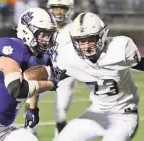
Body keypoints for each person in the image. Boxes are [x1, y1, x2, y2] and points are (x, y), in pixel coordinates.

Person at [0, 7, 60, 141]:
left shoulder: (40, 56)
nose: (46, 39)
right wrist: (51, 84)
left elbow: (34, 80)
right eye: (42, 34)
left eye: (49, 35)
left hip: (5, 128)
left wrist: (33, 108)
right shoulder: (12, 48)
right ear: (27, 31)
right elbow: (16, 89)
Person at [54, 12, 144, 141]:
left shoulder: (120, 48)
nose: (86, 46)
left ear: (102, 35)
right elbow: (53, 76)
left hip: (124, 115)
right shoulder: (68, 56)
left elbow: (140, 64)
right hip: (95, 113)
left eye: (90, 39)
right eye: (81, 41)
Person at [24, 0, 75, 139]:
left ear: (69, 9)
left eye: (61, 7)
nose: (57, 11)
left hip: (66, 76)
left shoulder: (75, 29)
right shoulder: (44, 25)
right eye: (54, 7)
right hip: (44, 72)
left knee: (60, 113)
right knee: (29, 102)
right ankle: (30, 135)